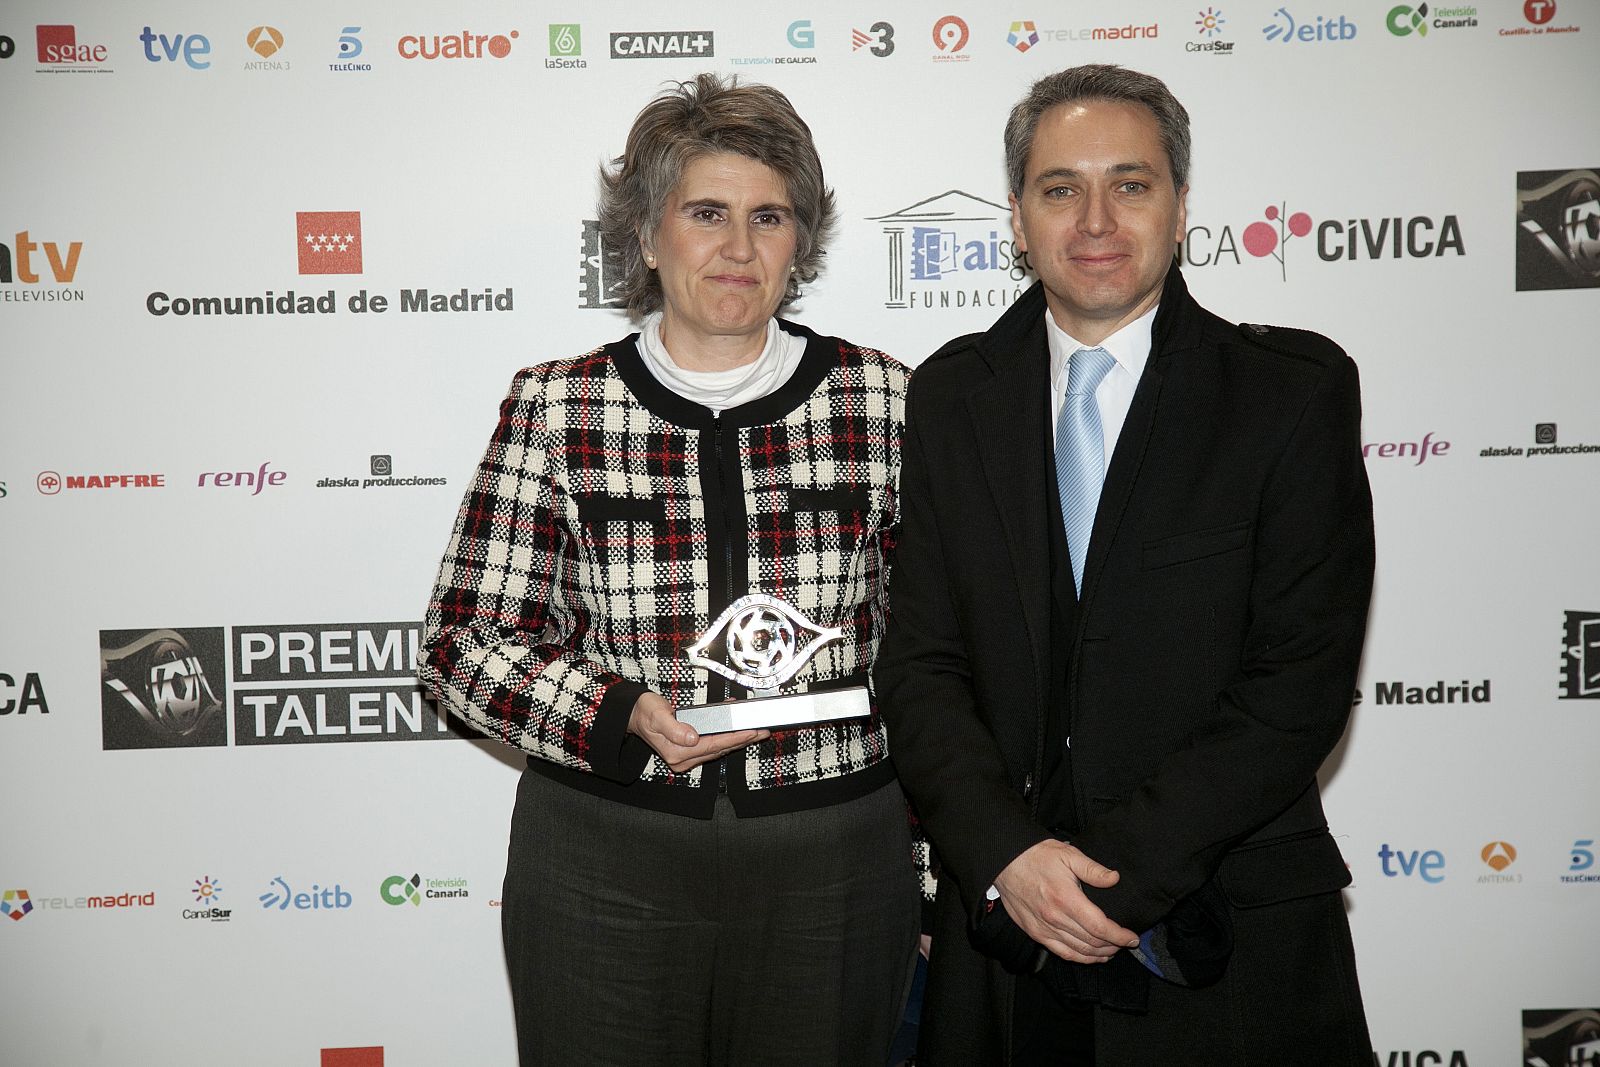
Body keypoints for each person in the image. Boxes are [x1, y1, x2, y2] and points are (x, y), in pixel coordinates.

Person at [874, 64, 1375, 1065]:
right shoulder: (951, 396)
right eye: (1060, 188)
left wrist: (1102, 880)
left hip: (1220, 929)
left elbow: (1297, 683)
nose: (1095, 219)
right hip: (1007, 947)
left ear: (1182, 206)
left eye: (1131, 184)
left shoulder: (1287, 395)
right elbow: (920, 664)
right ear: (1016, 219)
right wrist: (1006, 859)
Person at [420, 74, 925, 1066]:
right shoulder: (558, 406)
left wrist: (930, 866)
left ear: (800, 240)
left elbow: (938, 652)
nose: (738, 248)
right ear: (648, 236)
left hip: (834, 862)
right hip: (606, 862)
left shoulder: (885, 398)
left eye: (767, 216)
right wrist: (613, 714)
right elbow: (463, 643)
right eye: (706, 214)